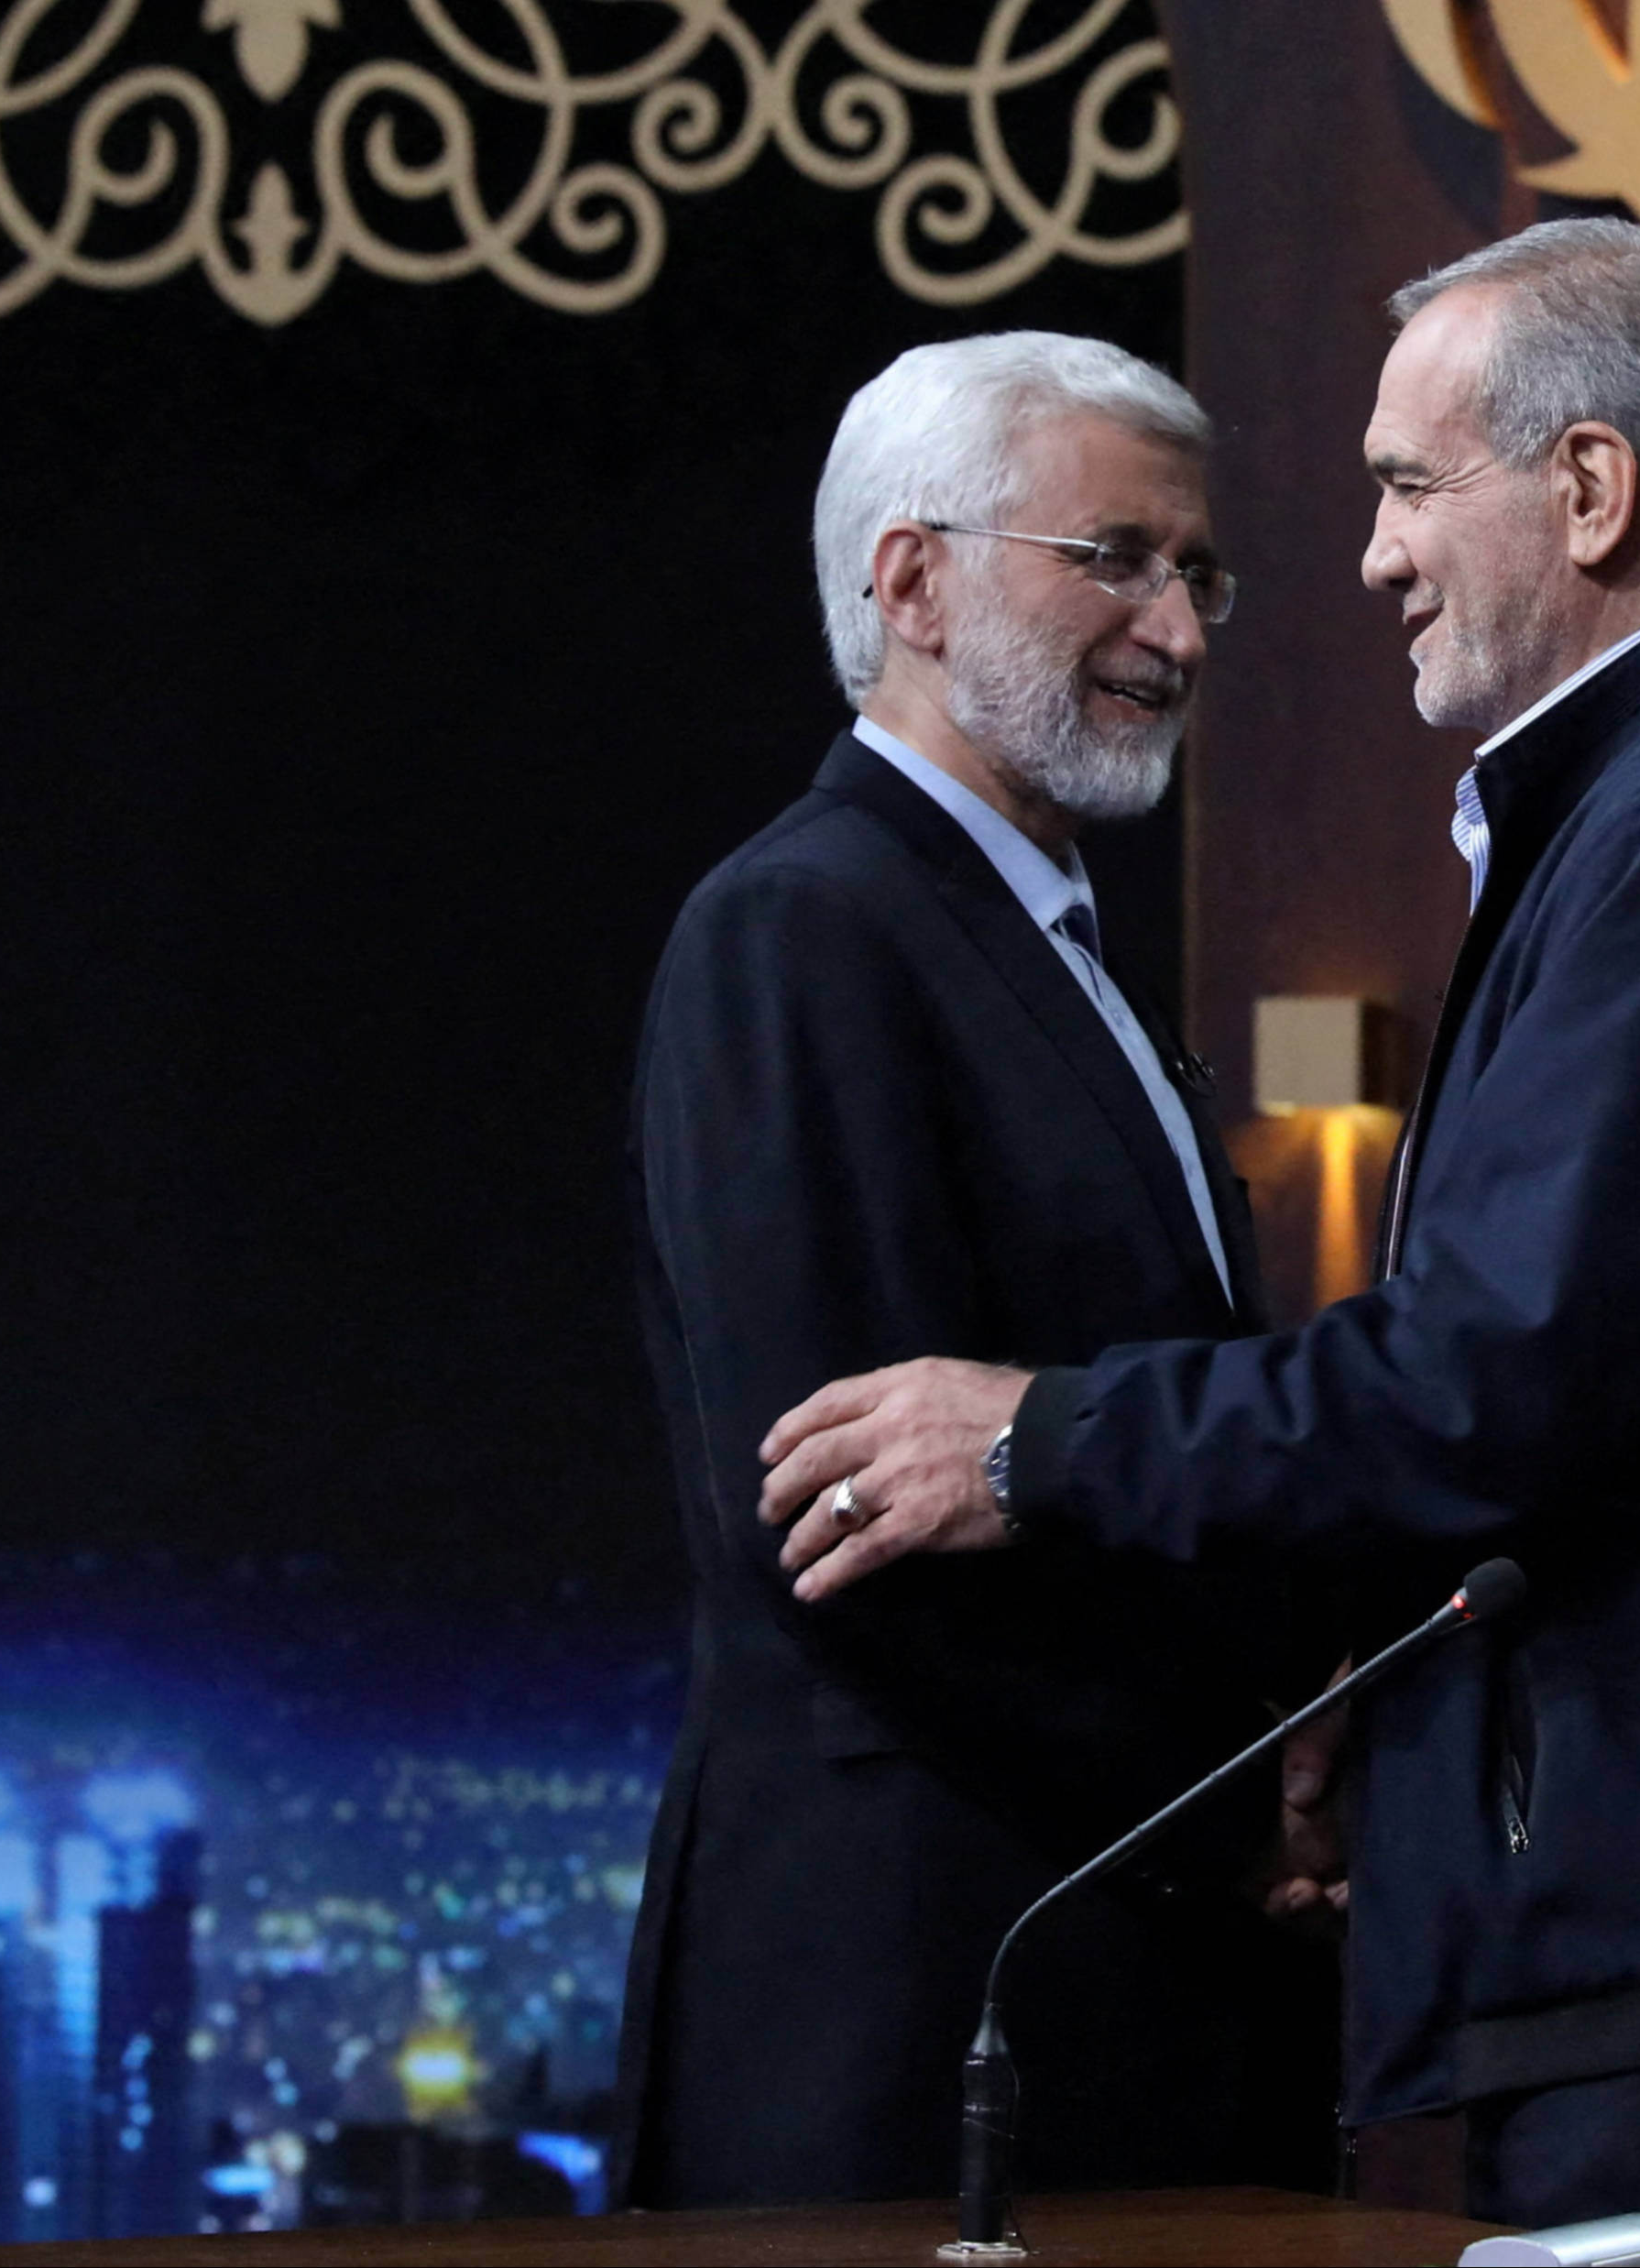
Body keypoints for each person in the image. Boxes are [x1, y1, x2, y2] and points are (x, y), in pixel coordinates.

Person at [755, 222, 1640, 2264]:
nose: (1368, 555)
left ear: (1590, 489)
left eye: (1409, 484)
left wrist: (1033, 1440)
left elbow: (1491, 1378)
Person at [607, 332, 1331, 2209]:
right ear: (911, 583)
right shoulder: (802, 928)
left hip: (1097, 1974)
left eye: (1198, 573)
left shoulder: (1048, 946)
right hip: (905, 2014)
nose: (1176, 631)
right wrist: (1223, 1800)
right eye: (1116, 558)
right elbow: (840, 1516)